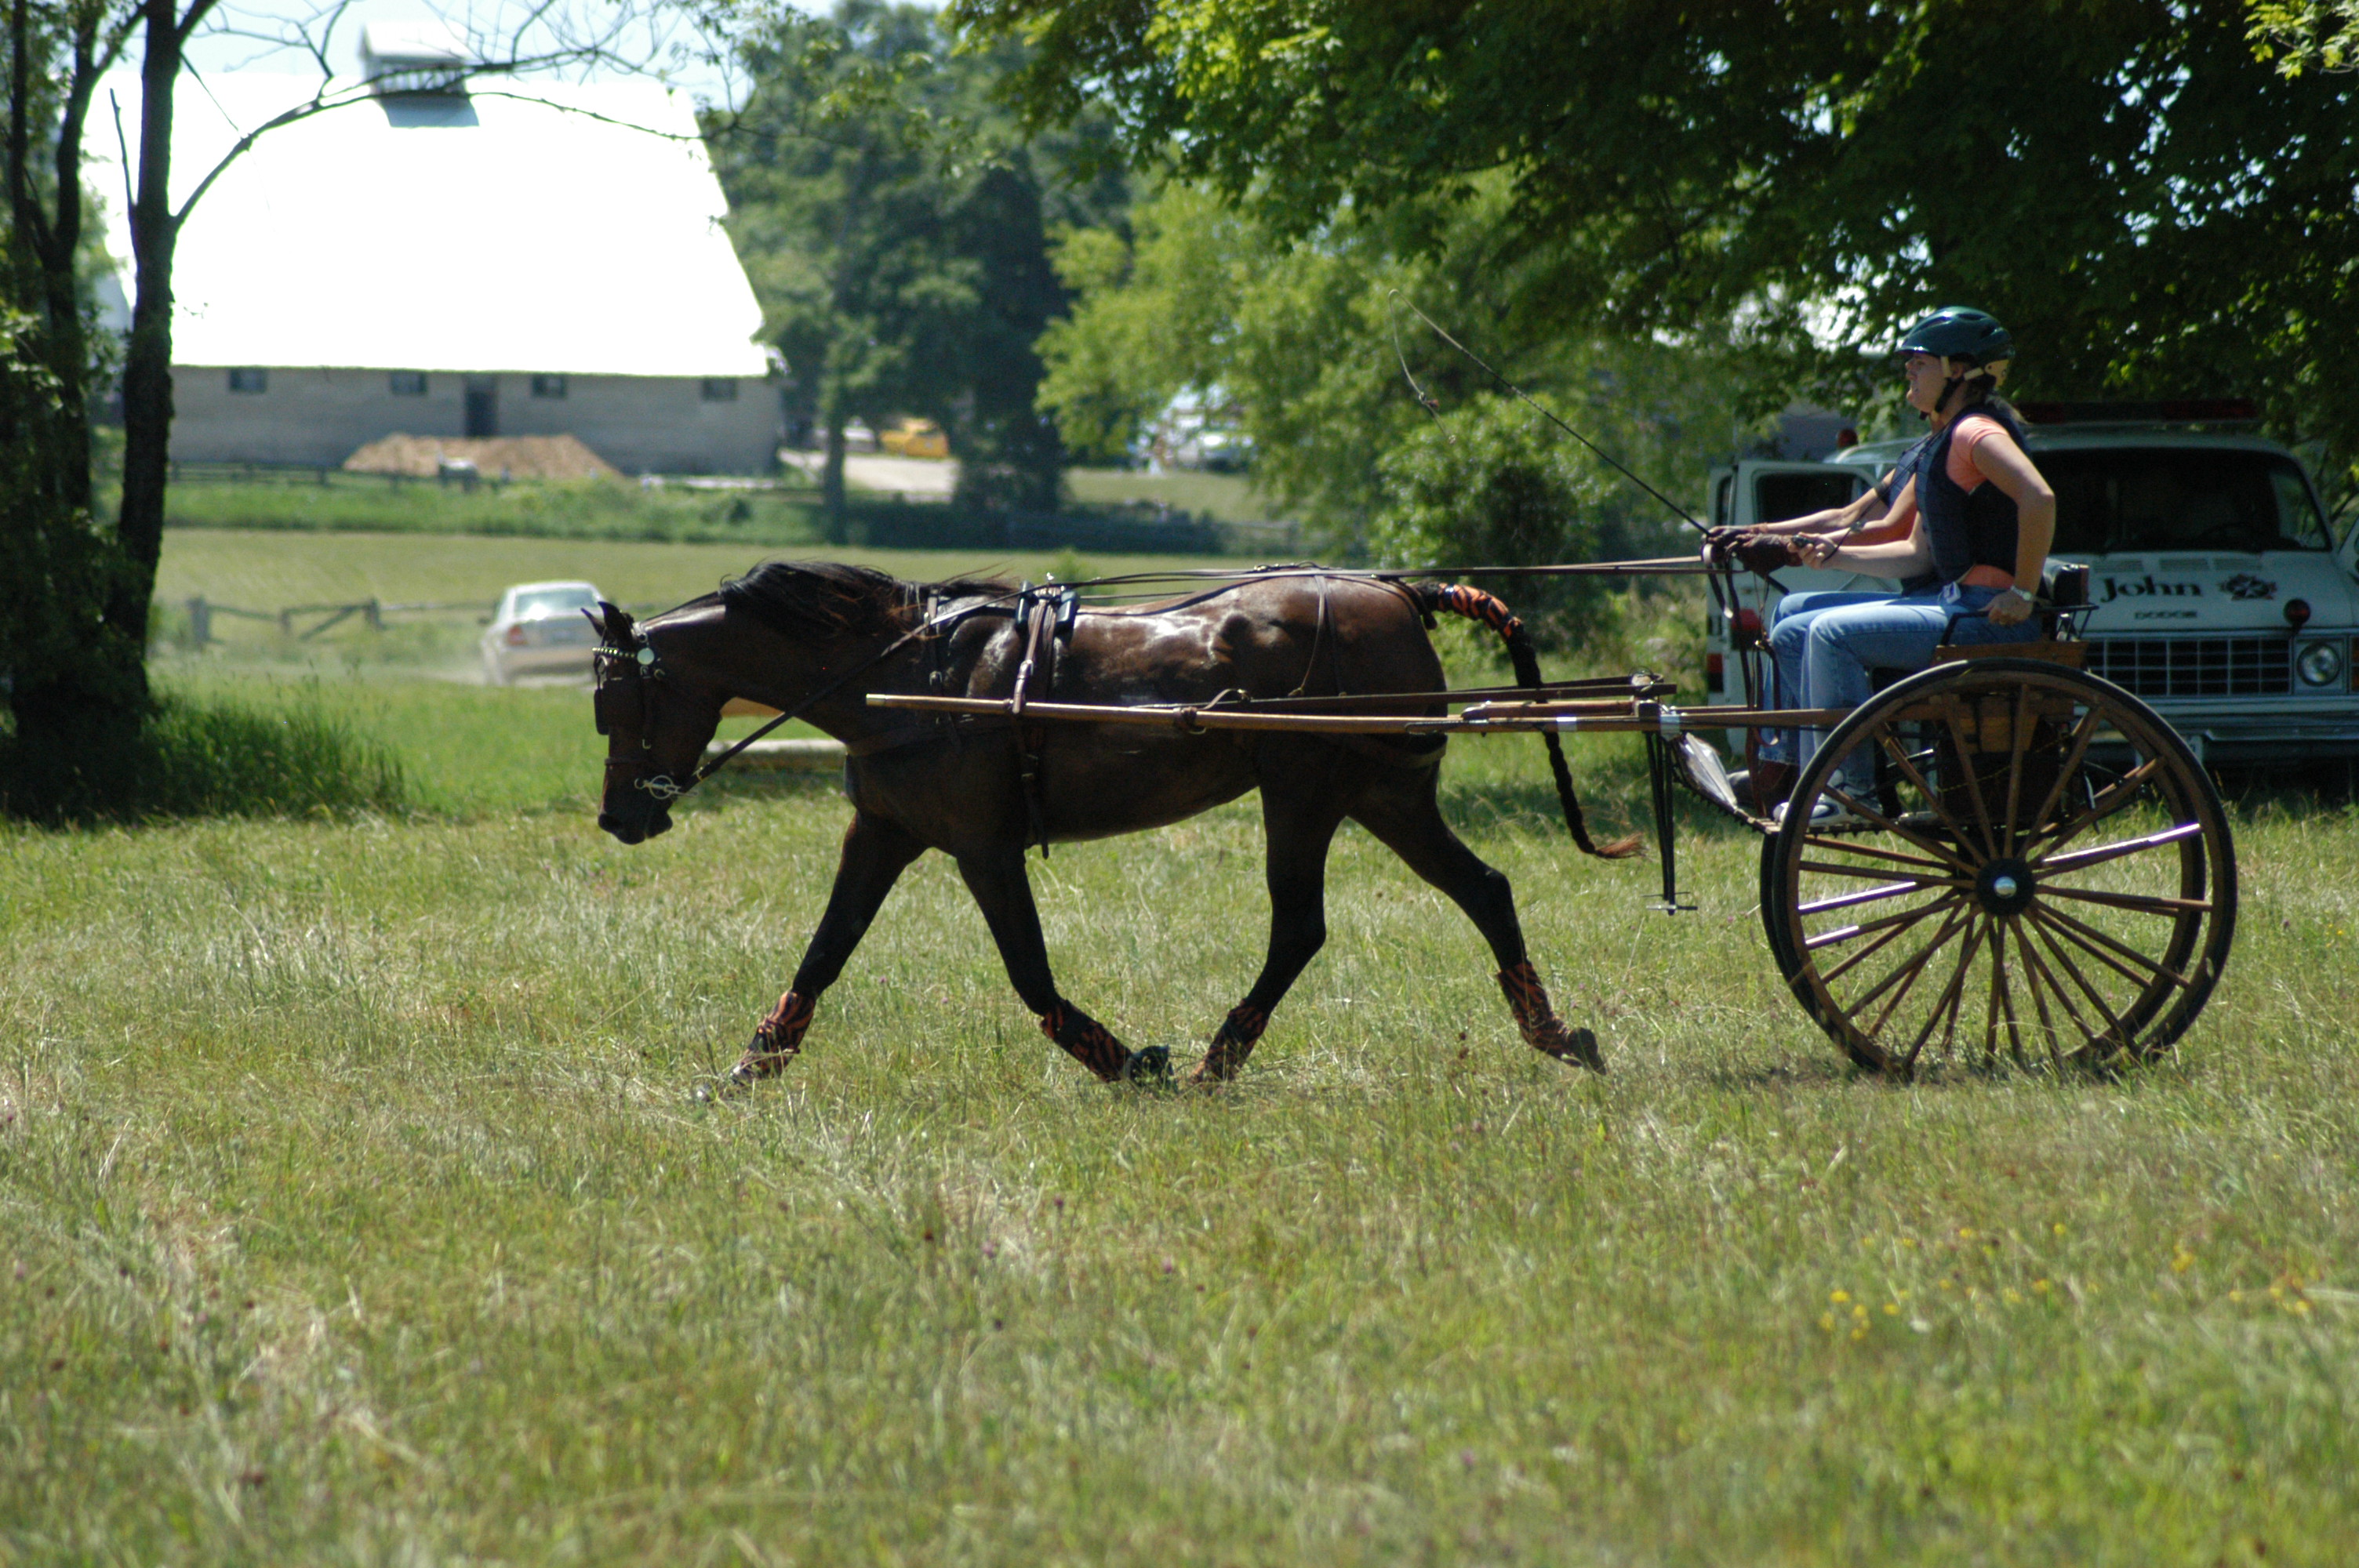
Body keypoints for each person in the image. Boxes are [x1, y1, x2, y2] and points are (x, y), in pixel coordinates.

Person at [1746, 307, 2058, 822]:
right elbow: (1916, 552)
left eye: (1921, 362)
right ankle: (1806, 776)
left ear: (1959, 371)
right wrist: (1833, 556)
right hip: (1959, 606)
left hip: (1988, 617)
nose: (1909, 369)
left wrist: (2023, 593)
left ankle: (1852, 791)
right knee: (1796, 626)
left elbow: (2039, 498)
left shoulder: (1975, 432)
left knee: (1830, 634)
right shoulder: (1944, 440)